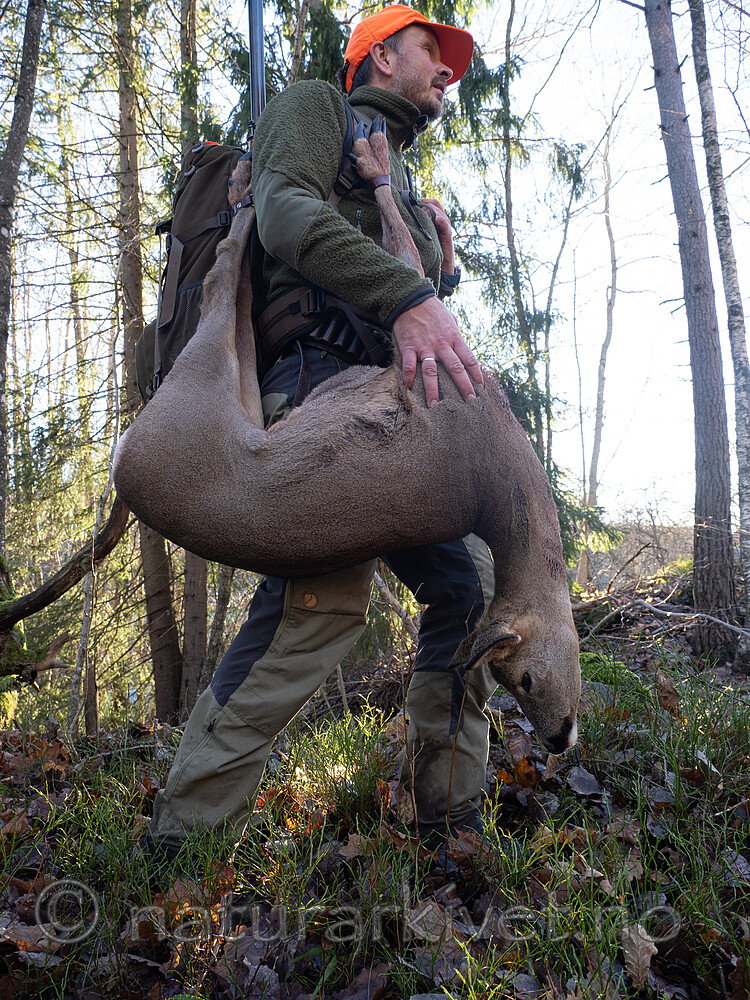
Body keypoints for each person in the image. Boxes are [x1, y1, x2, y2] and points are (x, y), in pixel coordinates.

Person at [146, 3, 499, 861]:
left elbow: (404, 304)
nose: (446, 70)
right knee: (319, 602)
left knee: (465, 592)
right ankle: (182, 844)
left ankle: (450, 823)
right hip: (315, 383)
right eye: (429, 50)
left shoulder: (397, 174)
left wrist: (436, 269)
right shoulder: (315, 106)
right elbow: (286, 215)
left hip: (392, 412)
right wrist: (408, 293)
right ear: (379, 58)